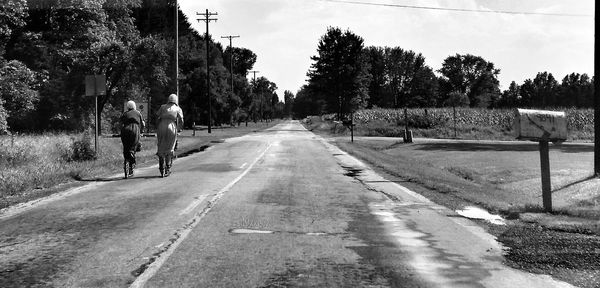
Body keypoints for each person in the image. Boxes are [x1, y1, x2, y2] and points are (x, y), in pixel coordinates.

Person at [156, 94, 183, 177]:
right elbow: (181, 120)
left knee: (161, 145)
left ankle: (161, 165)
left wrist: (157, 127)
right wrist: (179, 128)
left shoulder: (162, 107)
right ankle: (168, 166)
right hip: (172, 126)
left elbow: (157, 117)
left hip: (162, 125)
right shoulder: (178, 108)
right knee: (170, 146)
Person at [120, 100, 144, 178]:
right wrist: (142, 131)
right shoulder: (138, 113)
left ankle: (127, 159)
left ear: (127, 107)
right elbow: (142, 123)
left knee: (126, 146)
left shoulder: (125, 113)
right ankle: (132, 162)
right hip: (135, 129)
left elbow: (120, 123)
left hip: (125, 129)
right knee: (134, 145)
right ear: (134, 106)